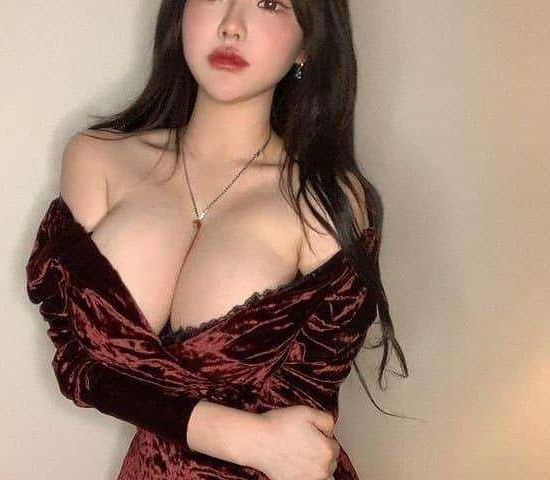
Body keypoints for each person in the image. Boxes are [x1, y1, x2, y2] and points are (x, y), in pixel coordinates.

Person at [26, 1, 410, 478]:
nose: (231, 25)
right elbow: (76, 361)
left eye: (270, 3)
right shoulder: (96, 159)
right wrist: (238, 435)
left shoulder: (324, 200)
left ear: (307, 45)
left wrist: (245, 439)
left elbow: (300, 434)